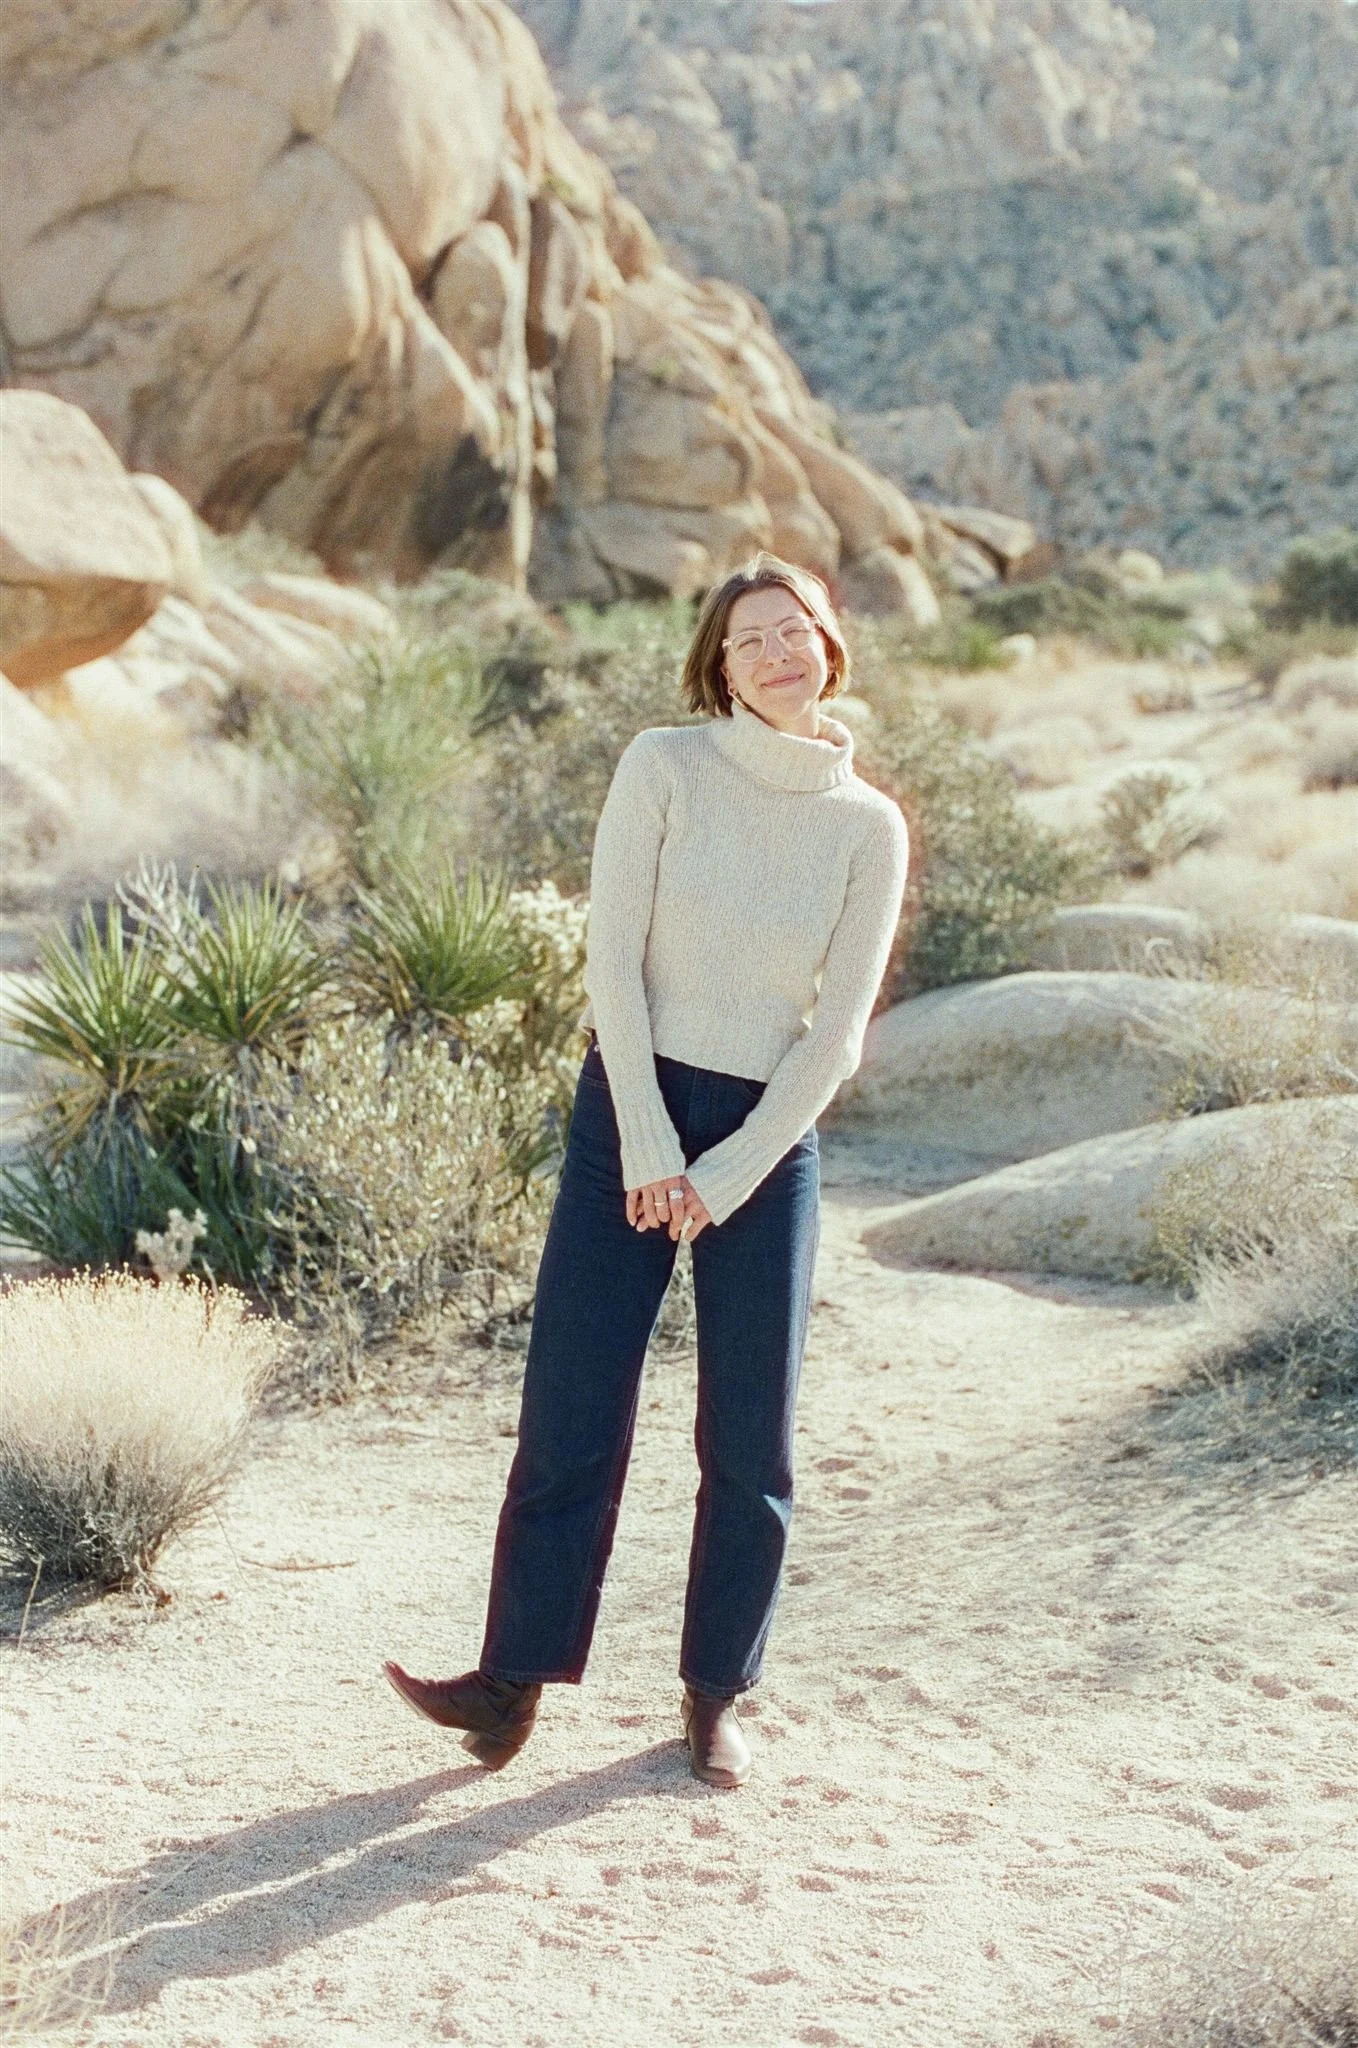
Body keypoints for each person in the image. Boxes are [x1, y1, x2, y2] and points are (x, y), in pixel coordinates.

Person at [385, 552, 910, 1788]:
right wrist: (649, 1142)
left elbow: (836, 1034)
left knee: (750, 1437)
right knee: (572, 1401)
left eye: (794, 629)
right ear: (716, 664)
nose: (775, 653)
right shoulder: (662, 764)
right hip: (629, 1099)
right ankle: (508, 1684)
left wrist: (720, 1175)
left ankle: (715, 1693)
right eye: (748, 638)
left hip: (766, 1134)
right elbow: (609, 963)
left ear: (829, 644)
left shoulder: (866, 825)